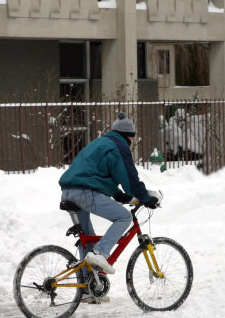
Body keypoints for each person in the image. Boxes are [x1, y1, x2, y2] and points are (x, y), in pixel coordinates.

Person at [59, 112, 158, 276]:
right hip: (85, 192)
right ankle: (101, 253)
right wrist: (146, 198)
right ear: (129, 136)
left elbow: (95, 173)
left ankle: (87, 289)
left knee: (87, 241)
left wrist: (117, 194)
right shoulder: (119, 146)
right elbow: (130, 180)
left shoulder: (99, 143)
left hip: (69, 192)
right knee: (124, 217)